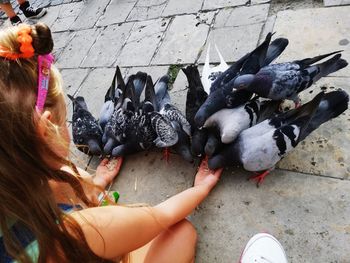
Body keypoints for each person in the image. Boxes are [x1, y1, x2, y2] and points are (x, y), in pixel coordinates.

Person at [0, 23, 223, 262]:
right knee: (183, 234)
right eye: (66, 121)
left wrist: (99, 181)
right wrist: (201, 187)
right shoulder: (77, 231)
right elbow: (161, 216)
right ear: (46, 131)